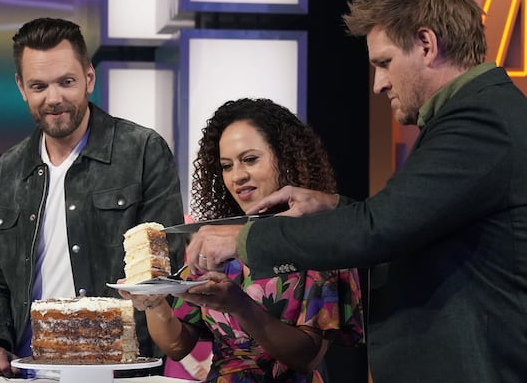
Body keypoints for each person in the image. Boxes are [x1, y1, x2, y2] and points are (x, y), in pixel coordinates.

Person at [185, 0, 527, 383]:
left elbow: (380, 229)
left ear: (426, 44)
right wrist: (332, 206)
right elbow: (407, 219)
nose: (378, 84)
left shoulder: (479, 122)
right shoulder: (474, 115)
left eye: (384, 63)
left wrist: (245, 237)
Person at [0, 17, 187, 381]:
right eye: (39, 85)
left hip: (120, 368)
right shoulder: (8, 168)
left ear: (89, 77)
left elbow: (166, 267)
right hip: (29, 368)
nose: (54, 98)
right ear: (21, 87)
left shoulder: (142, 150)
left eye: (66, 82)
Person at [119, 98, 365, 382]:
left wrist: (239, 305)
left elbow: (306, 357)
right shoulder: (217, 239)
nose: (237, 176)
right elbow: (178, 345)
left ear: (285, 157)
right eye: (226, 166)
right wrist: (153, 301)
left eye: (250, 159)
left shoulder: (317, 239)